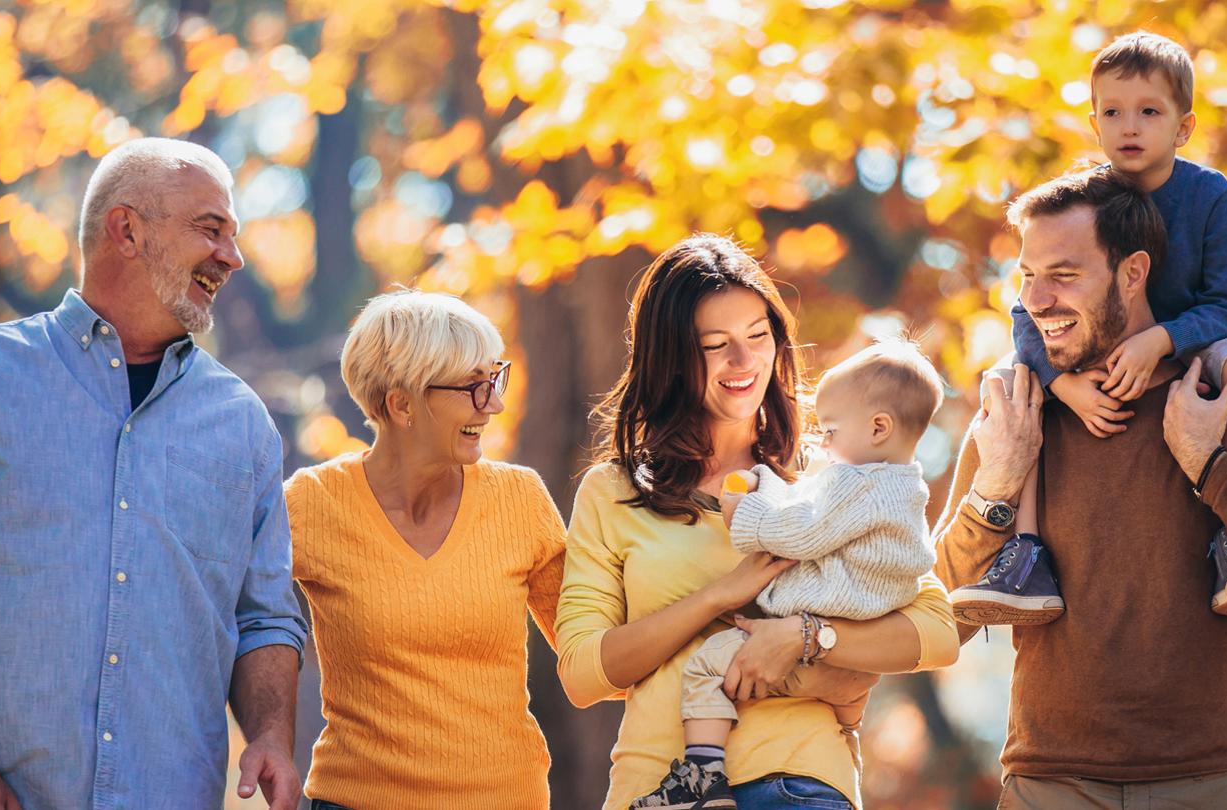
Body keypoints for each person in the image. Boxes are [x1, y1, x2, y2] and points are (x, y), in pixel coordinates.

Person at [0, 137, 307, 809]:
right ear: (126, 230)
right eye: (210, 230)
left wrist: (271, 734)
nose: (232, 257)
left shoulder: (242, 424)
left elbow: (264, 617)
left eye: (233, 236)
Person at [934, 167, 1227, 808]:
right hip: (1046, 783)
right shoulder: (1019, 415)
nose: (1036, 299)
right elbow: (938, 618)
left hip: (1209, 782)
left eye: (1065, 274)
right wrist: (995, 487)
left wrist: (1212, 467)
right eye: (1028, 275)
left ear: (1133, 273)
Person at [557, 234, 960, 810]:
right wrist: (721, 594)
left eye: (757, 337)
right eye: (715, 345)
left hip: (797, 779)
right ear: (669, 358)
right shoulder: (614, 492)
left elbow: (937, 635)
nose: (743, 363)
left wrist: (806, 638)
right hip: (657, 788)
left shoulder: (832, 475)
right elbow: (582, 673)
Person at [952, 31, 1227, 625]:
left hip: (1193, 346)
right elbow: (1029, 309)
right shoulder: (1090, 199)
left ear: (1183, 127)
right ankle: (1024, 556)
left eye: (1149, 112)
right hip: (1084, 356)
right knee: (1012, 385)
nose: (1130, 127)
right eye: (1113, 112)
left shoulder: (1209, 195)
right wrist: (1059, 382)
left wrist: (1161, 339)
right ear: (1095, 122)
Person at [628, 340, 945, 809]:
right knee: (841, 693)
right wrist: (767, 482)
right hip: (849, 633)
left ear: (879, 427)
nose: (823, 442)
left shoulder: (855, 483)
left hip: (817, 617)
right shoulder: (900, 487)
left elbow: (804, 531)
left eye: (832, 430)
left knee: (708, 665)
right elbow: (812, 503)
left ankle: (702, 776)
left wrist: (745, 512)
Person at [285, 290, 566, 808]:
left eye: (494, 378)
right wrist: (267, 739)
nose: (496, 404)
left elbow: (593, 656)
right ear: (401, 405)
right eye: (472, 387)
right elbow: (237, 618)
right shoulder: (312, 502)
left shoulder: (521, 499)